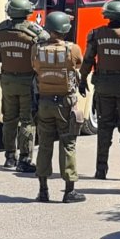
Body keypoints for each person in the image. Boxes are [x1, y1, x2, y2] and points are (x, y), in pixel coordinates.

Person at [79, 0, 120, 181]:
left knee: (104, 127)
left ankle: (100, 170)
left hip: (103, 87)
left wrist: (82, 80)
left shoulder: (96, 34)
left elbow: (88, 61)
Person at [0, 0, 47, 172]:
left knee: (9, 119)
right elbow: (43, 53)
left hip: (7, 81)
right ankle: (25, 160)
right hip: (27, 81)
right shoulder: (35, 32)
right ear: (27, 12)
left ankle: (9, 157)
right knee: (27, 120)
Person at [31, 11, 85, 203]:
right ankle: (69, 192)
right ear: (65, 29)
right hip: (65, 103)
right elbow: (78, 65)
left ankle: (43, 191)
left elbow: (35, 67)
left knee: (44, 145)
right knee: (68, 144)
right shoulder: (73, 49)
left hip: (44, 102)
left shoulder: (37, 49)